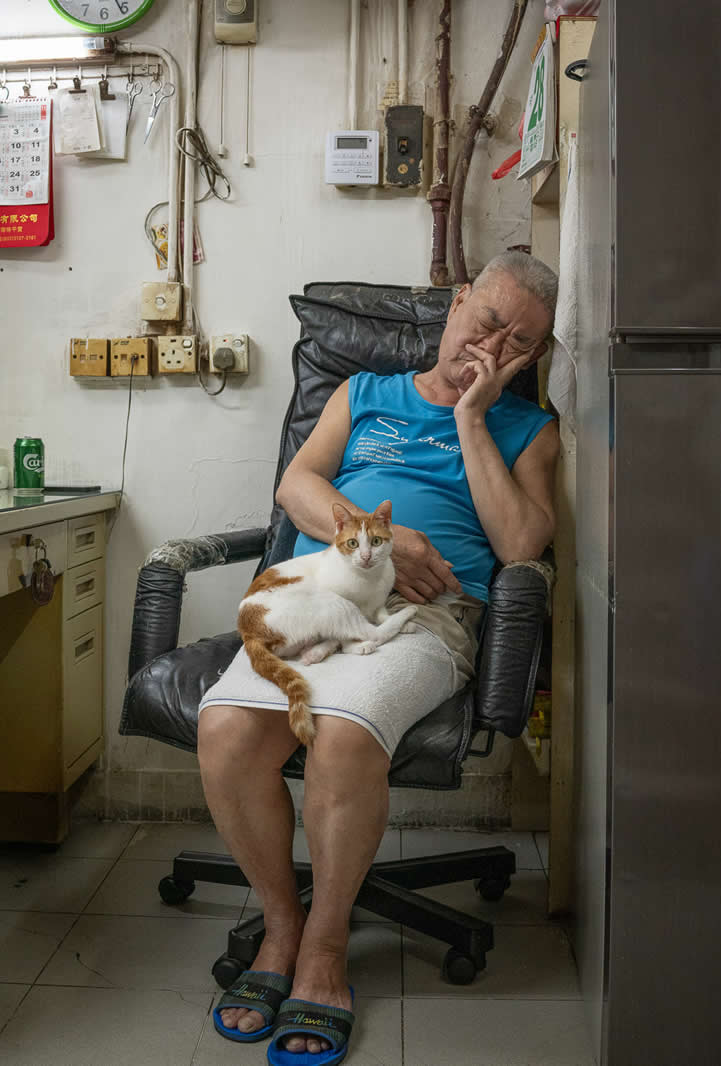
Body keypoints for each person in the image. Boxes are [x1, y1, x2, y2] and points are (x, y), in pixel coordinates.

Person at [197, 251, 559, 1057]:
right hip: (322, 585)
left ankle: (325, 949)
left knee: (343, 734)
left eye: (520, 344)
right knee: (224, 729)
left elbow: (523, 541)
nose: (494, 346)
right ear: (457, 301)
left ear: (533, 360)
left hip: (427, 614)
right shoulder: (364, 393)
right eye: (489, 321)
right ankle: (283, 926)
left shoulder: (529, 428)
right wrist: (382, 536)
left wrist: (472, 417)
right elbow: (298, 486)